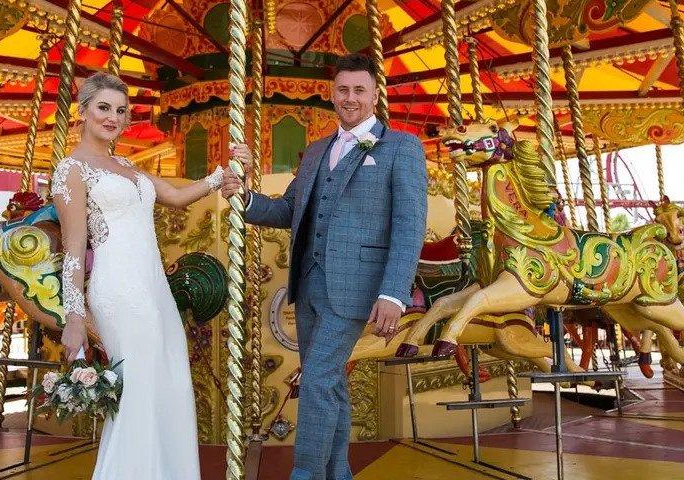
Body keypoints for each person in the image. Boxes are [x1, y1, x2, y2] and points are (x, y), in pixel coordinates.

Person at [222, 53, 427, 480]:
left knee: (315, 381)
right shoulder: (317, 151)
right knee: (330, 382)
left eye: (359, 90)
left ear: (374, 94)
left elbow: (410, 224)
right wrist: (242, 196)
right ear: (332, 93)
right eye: (343, 90)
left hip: (357, 287)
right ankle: (339, 472)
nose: (350, 99)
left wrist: (393, 292)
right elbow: (286, 211)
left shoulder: (401, 147)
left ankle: (306, 473)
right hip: (310, 284)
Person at [53, 72, 225, 480]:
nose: (113, 117)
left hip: (154, 290)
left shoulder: (126, 166)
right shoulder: (71, 170)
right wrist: (74, 316)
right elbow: (74, 248)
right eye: (104, 108)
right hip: (120, 290)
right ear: (84, 111)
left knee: (172, 386)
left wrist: (223, 174)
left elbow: (177, 195)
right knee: (138, 394)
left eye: (121, 111)